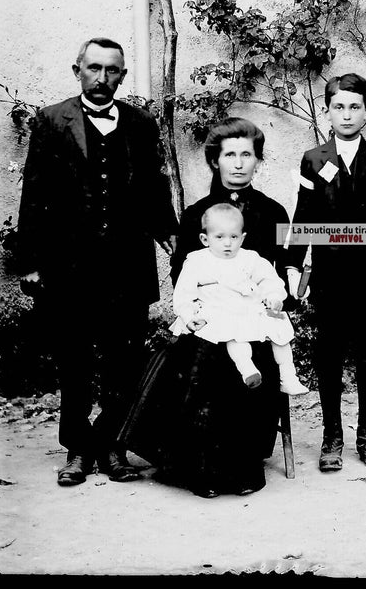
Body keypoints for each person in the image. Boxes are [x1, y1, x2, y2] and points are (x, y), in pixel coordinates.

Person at [17, 37, 178, 486]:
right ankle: (76, 450)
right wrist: (30, 259)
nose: (102, 78)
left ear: (122, 77)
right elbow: (35, 191)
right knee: (74, 362)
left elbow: (153, 185)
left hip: (127, 264)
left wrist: (167, 233)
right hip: (70, 266)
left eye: (112, 71)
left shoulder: (141, 123)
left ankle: (113, 446)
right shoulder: (52, 121)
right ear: (78, 70)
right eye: (94, 68)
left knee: (123, 362)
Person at [119, 117, 294, 498]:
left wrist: (277, 298)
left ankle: (242, 464)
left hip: (254, 320)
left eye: (246, 154)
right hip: (207, 316)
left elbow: (284, 266)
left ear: (257, 161)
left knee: (245, 360)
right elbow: (183, 270)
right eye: (229, 154)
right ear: (215, 160)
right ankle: (198, 467)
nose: (237, 163)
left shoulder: (275, 212)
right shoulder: (197, 212)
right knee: (201, 358)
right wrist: (195, 310)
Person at [287, 73, 366, 473]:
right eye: (338, 106)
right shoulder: (313, 158)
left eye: (354, 106)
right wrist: (291, 264)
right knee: (328, 353)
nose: (346, 114)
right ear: (328, 110)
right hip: (330, 275)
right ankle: (332, 436)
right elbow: (304, 217)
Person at [170, 203, 309, 395]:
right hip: (217, 309)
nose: (227, 243)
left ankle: (288, 376)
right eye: (219, 237)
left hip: (248, 308)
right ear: (204, 239)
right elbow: (184, 294)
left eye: (233, 237)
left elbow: (269, 280)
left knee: (279, 328)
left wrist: (274, 296)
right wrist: (187, 315)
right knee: (233, 336)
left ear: (242, 238)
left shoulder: (250, 258)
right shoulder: (197, 261)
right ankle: (247, 369)